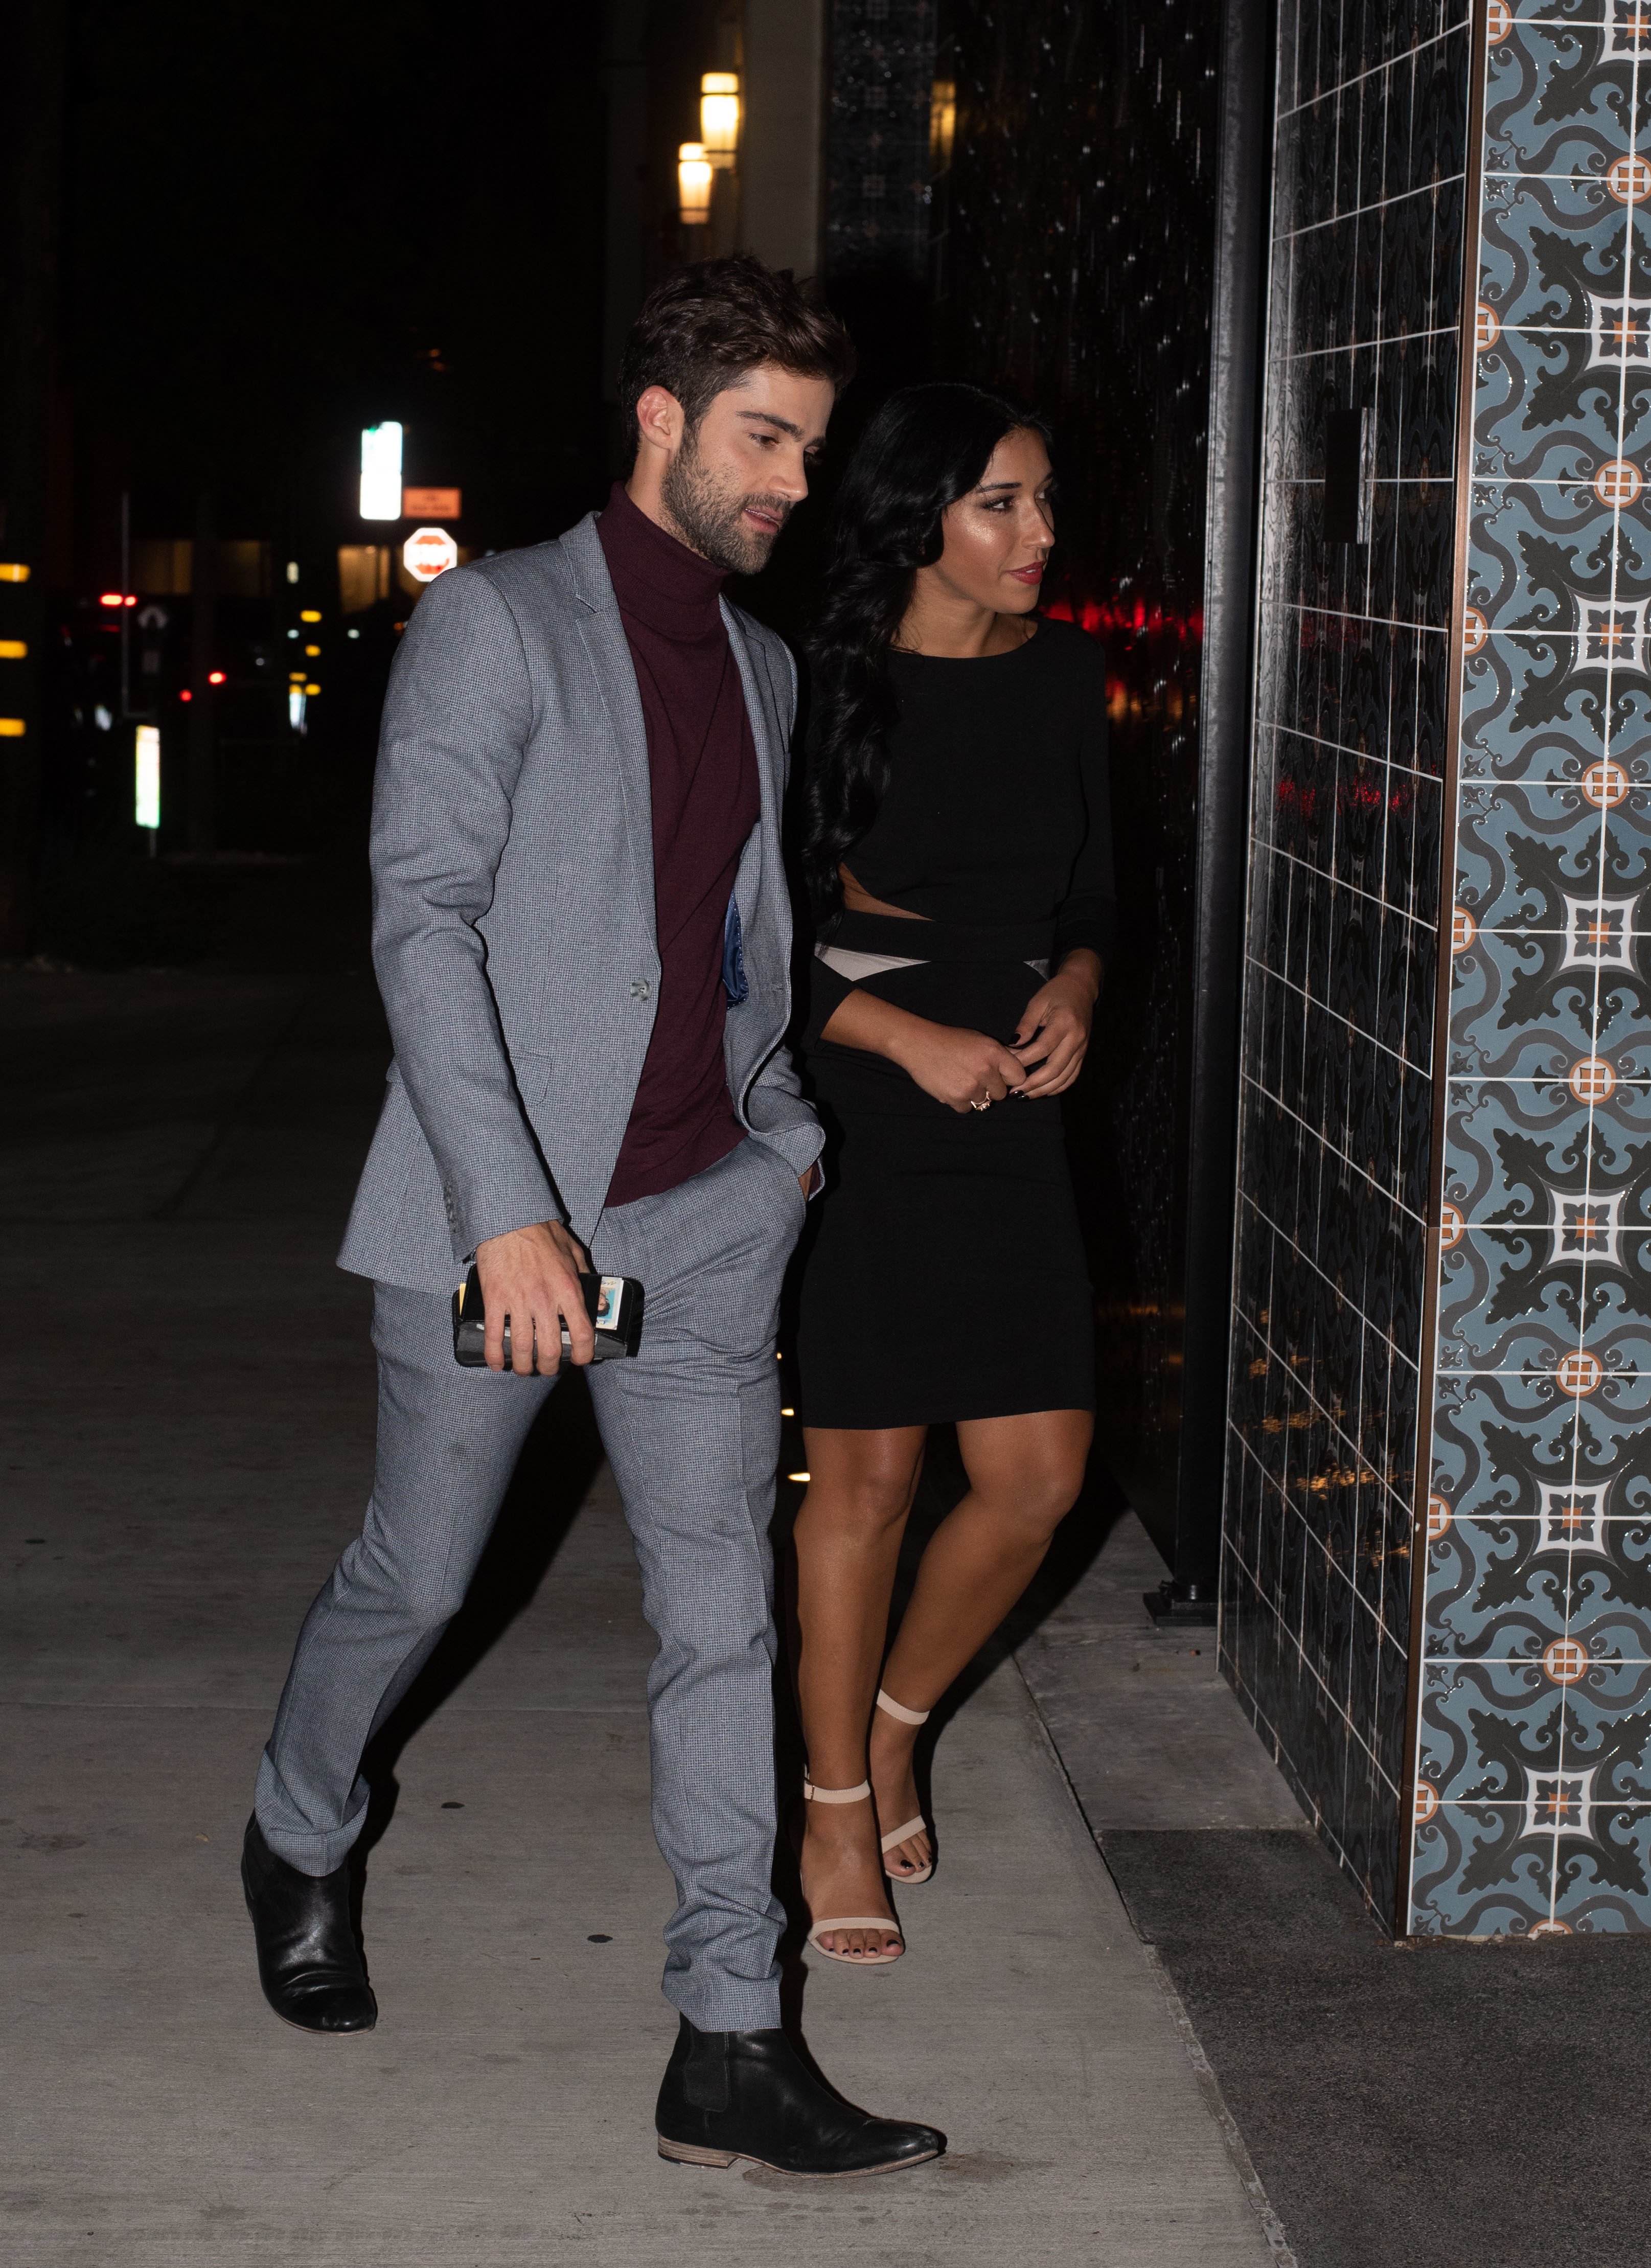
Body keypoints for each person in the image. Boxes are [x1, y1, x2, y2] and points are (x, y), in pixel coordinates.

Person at [242, 256, 943, 2180]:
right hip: (505, 1235)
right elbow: (424, 921)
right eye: (763, 441)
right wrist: (508, 1217)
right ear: (661, 419)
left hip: (706, 1217)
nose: (793, 482)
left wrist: (783, 1144)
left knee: (722, 1625)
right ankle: (300, 1829)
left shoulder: (764, 666)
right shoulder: (502, 625)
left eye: (809, 449)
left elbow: (735, 941)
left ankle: (730, 2039)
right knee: (421, 1576)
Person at [789, 382, 1114, 1964]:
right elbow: (733, 944)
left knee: (1038, 1476)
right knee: (865, 1481)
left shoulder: (1064, 673)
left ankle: (900, 1723)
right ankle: (833, 1804)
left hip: (1011, 1104)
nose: (1040, 532)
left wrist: (1080, 989)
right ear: (917, 518)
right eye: (1002, 503)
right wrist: (904, 1039)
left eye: (1043, 499)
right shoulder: (811, 682)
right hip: (862, 1096)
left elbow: (1095, 895)